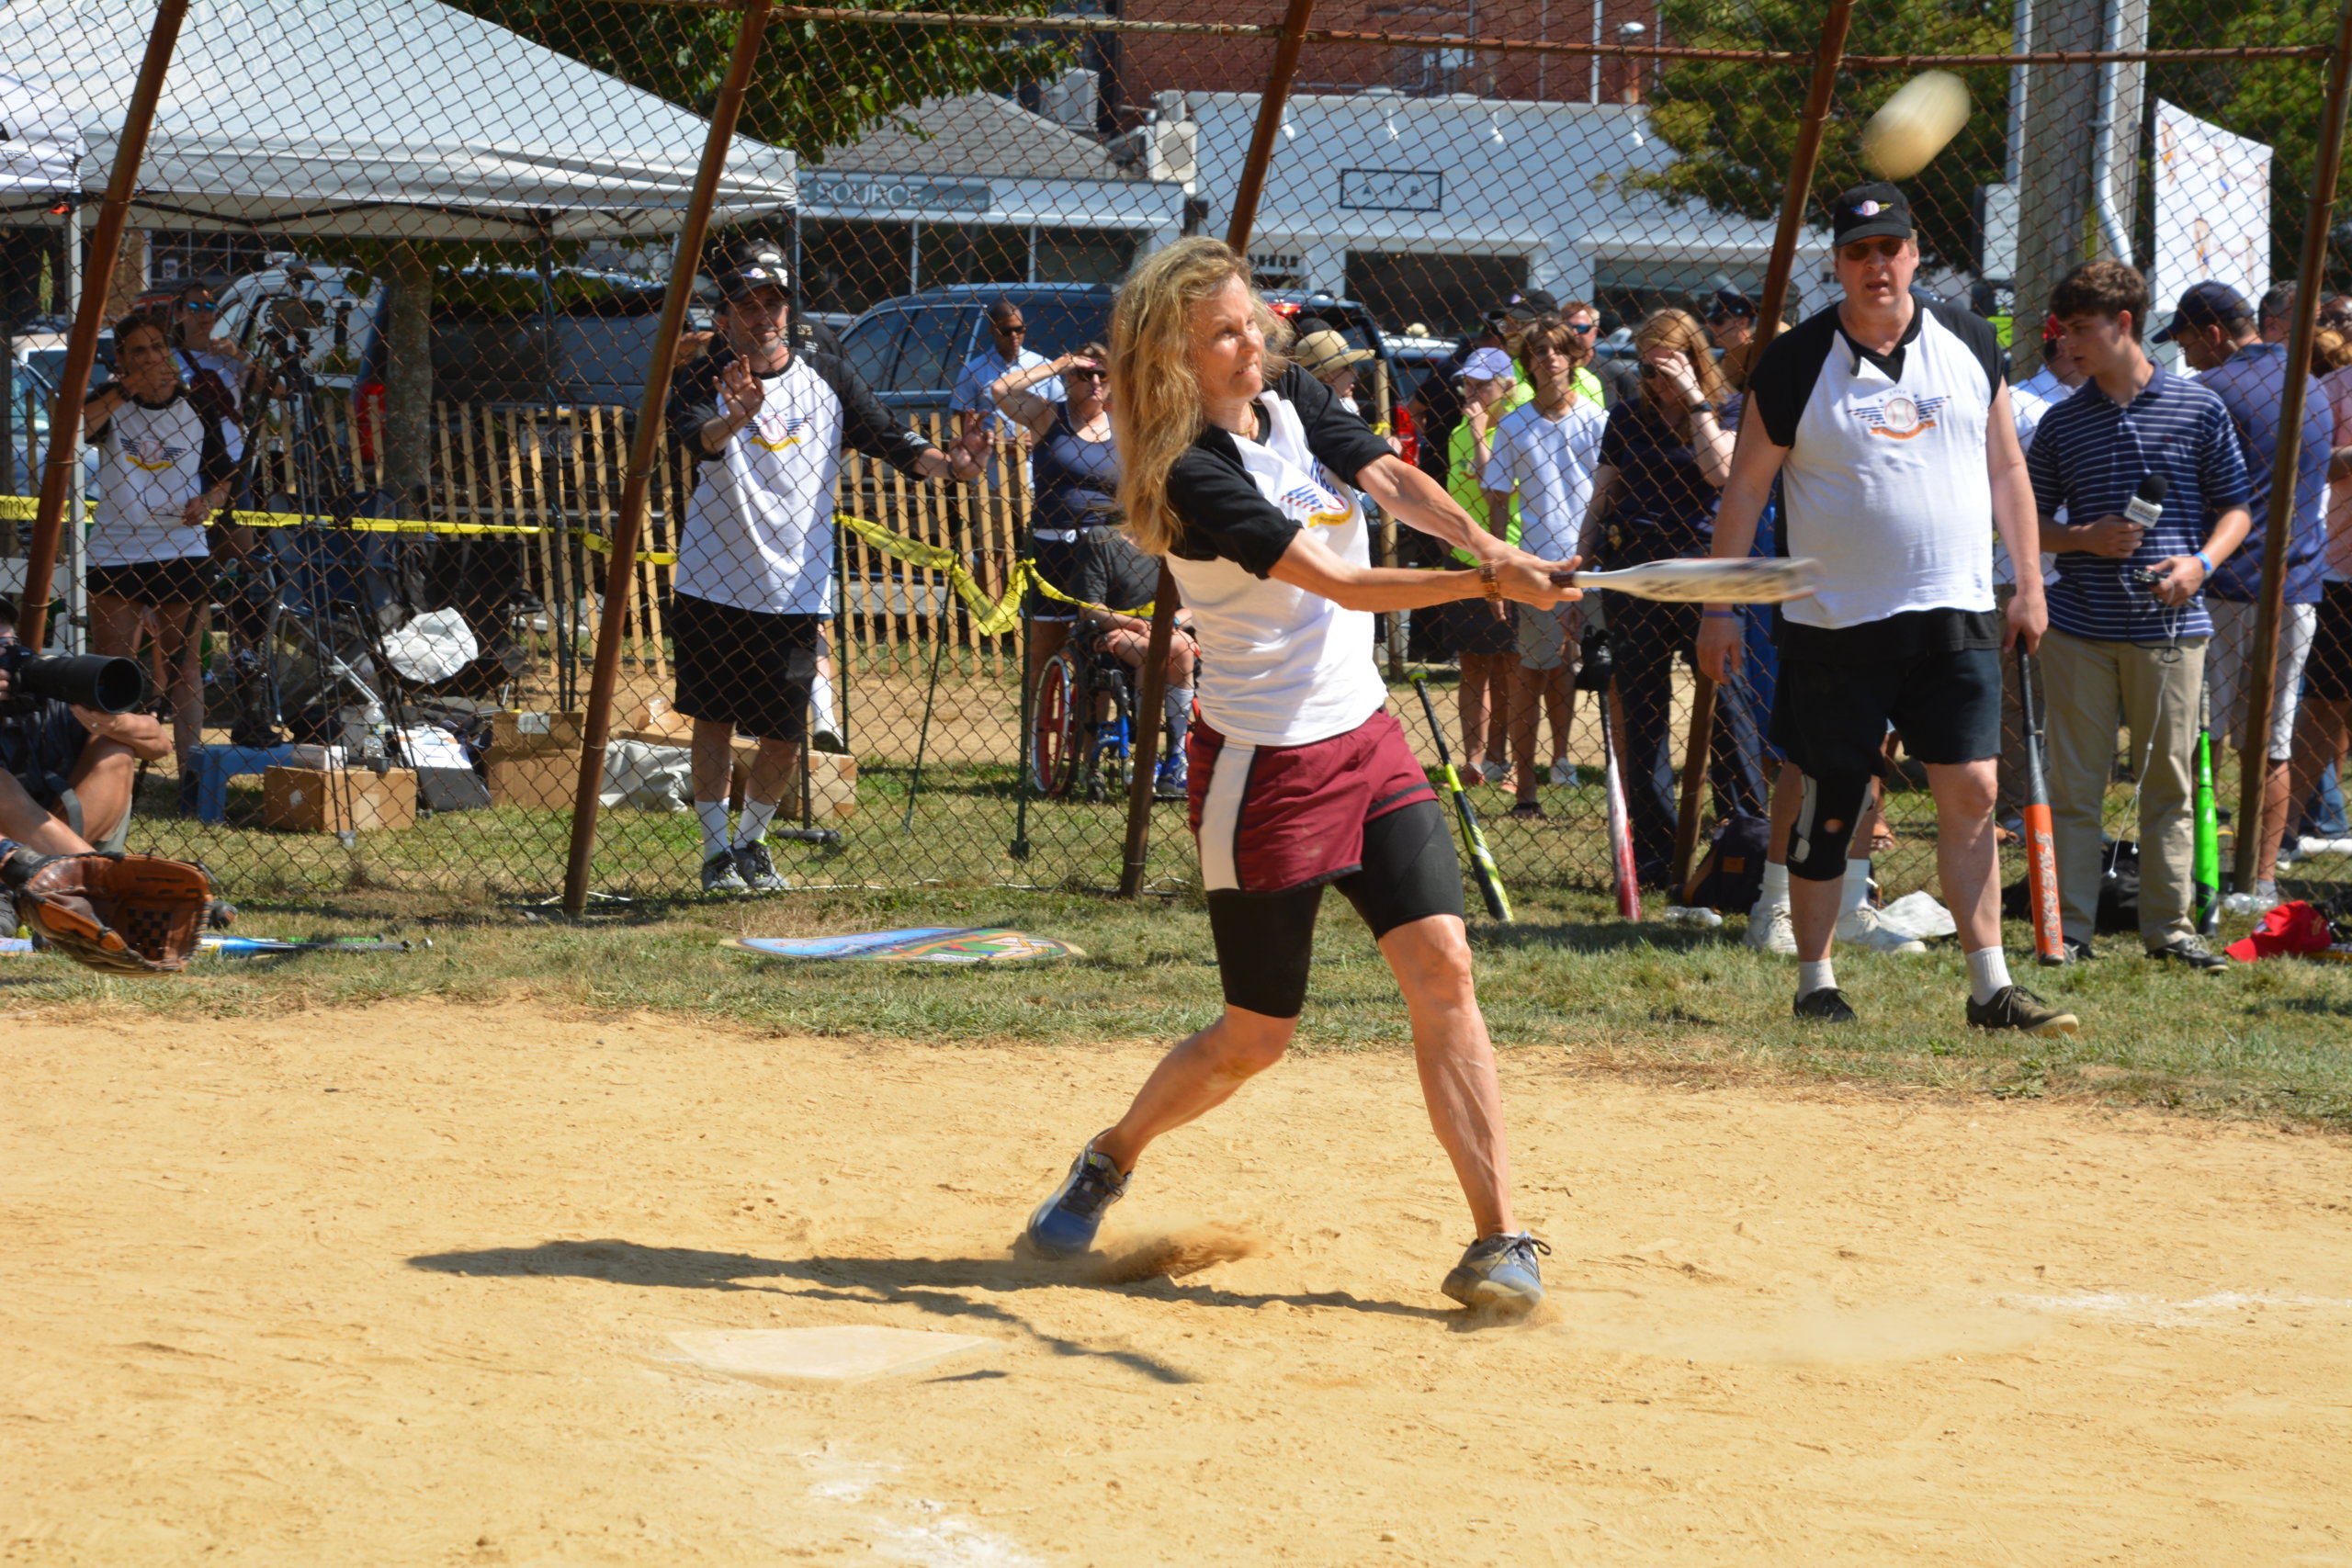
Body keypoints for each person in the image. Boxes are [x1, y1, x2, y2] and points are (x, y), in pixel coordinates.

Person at [1022, 237, 1577, 1313]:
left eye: (1250, 325)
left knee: (1444, 971)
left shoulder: (1284, 401)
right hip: (1264, 768)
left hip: (1364, 741)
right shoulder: (1187, 470)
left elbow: (1389, 477)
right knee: (1254, 1037)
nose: (1249, 347)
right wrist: (1484, 578)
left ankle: (1500, 1237)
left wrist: (1480, 543)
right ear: (1173, 360)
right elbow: (1339, 582)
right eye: (1222, 335)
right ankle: (1112, 1155)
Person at [1697, 183, 2077, 1034]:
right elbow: (1747, 487)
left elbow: (2006, 469)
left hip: (1954, 607)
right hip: (1835, 619)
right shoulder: (1795, 362)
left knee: (1975, 787)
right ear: (1838, 264)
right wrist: (1719, 606)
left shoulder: (1970, 340)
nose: (1876, 266)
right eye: (1858, 253)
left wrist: (2030, 579)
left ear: (1914, 255)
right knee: (1835, 798)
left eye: (1890, 249)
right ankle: (1816, 980)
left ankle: (1991, 988)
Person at [668, 240, 977, 895]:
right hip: (713, 580)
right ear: (722, 318)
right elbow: (696, 438)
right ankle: (715, 851)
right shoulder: (702, 378)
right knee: (714, 720)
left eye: (774, 303)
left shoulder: (827, 376)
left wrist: (954, 467)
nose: (763, 318)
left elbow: (891, 438)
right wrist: (738, 419)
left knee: (785, 734)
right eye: (747, 306)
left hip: (794, 588)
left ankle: (752, 843)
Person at [2030, 260, 2252, 970]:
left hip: (2172, 631)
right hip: (2078, 628)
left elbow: (2238, 509)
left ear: (2125, 325)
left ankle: (2172, 929)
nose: (2069, 346)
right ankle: (2069, 932)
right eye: (2063, 332)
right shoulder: (2064, 422)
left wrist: (2200, 566)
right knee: (2076, 787)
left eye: (2082, 331)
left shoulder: (2198, 407)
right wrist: (2082, 538)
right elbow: (2025, 521)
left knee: (2170, 783)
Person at [2158, 280, 2332, 910]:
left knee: (2195, 737)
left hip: (2223, 582)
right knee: (2272, 739)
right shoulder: (2310, 384)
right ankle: (2257, 881)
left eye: (2187, 344)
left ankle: (2193, 876)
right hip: (2296, 582)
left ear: (2212, 334)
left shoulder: (2208, 392)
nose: (2187, 360)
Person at [1577, 308, 1764, 886]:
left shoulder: (1731, 407)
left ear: (1693, 357)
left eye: (1666, 368)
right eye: (1647, 369)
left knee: (1728, 705)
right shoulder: (1628, 416)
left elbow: (1722, 474)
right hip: (1635, 566)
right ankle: (1658, 850)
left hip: (1706, 569)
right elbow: (1602, 492)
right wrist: (1581, 561)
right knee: (1643, 710)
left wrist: (1694, 399)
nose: (1654, 382)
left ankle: (1747, 833)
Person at [993, 341, 1201, 796]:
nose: (1093, 383)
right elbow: (1000, 390)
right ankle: (1039, 756)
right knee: (1046, 653)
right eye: (1084, 376)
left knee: (1102, 656)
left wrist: (1116, 371)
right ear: (1068, 380)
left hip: (1110, 553)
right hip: (1054, 552)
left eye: (1101, 376)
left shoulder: (1125, 426)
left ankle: (1091, 755)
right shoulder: (1049, 417)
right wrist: (1063, 362)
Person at [81, 309, 235, 779]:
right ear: (122, 360)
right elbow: (75, 429)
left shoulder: (198, 406)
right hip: (116, 548)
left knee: (185, 662)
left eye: (158, 348)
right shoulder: (110, 403)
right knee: (115, 666)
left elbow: (225, 475)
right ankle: (114, 768)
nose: (151, 358)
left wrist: (208, 500)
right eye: (139, 350)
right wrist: (125, 387)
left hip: (181, 547)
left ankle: (190, 769)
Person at [1482, 316, 1605, 816]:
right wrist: (1495, 573)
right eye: (1538, 352)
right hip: (1536, 566)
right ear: (1528, 364)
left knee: (1592, 668)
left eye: (1557, 349)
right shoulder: (1513, 424)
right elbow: (1495, 499)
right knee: (1534, 671)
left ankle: (1566, 762)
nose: (1549, 357)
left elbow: (1608, 492)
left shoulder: (1598, 419)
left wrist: (1594, 553)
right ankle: (1526, 785)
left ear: (1573, 357)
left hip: (1592, 564)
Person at [0, 600, 171, 854]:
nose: (6, 655)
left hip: (60, 837)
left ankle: (74, 875)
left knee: (116, 749)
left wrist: (114, 724)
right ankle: (97, 879)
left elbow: (160, 746)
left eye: (7, 643)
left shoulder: (44, 691)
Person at [1441, 346, 1531, 784]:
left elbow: (1494, 486)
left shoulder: (1514, 428)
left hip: (1508, 557)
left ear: (1506, 388)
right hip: (1464, 561)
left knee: (1510, 666)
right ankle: (1475, 761)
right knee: (1474, 663)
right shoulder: (1458, 431)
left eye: (1483, 385)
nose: (1472, 393)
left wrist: (1479, 433)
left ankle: (1504, 760)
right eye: (1468, 384)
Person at [2285, 323, 2352, 855]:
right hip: (2340, 570)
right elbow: (2314, 465)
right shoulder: (2335, 387)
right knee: (2323, 706)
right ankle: (2284, 831)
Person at [953, 299, 1057, 480]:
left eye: (1020, 329)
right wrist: (993, 442)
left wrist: (1037, 437)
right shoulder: (974, 371)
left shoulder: (1043, 367)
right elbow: (959, 420)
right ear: (992, 330)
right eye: (1006, 331)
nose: (1014, 335)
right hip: (990, 474)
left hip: (1037, 472)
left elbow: (1062, 415)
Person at [1705, 287, 1758, 355]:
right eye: (1709, 321)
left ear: (1742, 322)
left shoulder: (1759, 358)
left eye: (1718, 321)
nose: (1710, 326)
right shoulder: (1714, 357)